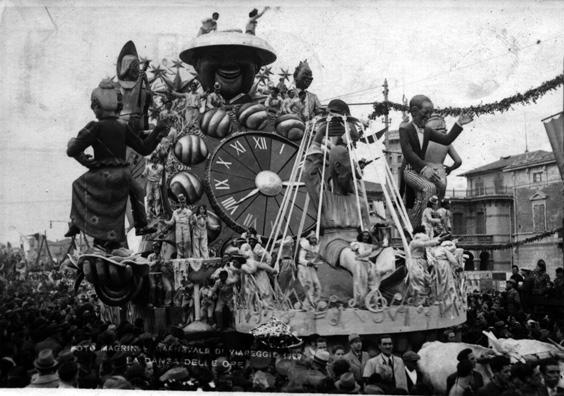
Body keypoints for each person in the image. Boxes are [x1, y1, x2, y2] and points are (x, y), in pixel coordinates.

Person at [65, 79, 168, 247]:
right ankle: (141, 224)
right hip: (123, 174)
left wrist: (83, 158)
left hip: (102, 174)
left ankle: (76, 223)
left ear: (97, 106)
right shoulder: (123, 127)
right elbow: (144, 148)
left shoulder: (94, 127)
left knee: (78, 185)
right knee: (137, 190)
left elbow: (72, 151)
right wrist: (157, 132)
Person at [399, 94, 473, 227]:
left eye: (430, 114)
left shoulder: (427, 131)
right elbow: (408, 153)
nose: (427, 117)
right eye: (425, 113)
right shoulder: (405, 129)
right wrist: (424, 168)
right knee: (429, 188)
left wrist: (459, 123)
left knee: (441, 186)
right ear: (414, 112)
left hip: (423, 171)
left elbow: (446, 140)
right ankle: (421, 225)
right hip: (410, 171)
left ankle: (434, 223)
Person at [424, 114, 463, 199]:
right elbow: (458, 161)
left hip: (426, 173)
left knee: (425, 202)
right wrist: (450, 169)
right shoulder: (447, 143)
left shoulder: (424, 141)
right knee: (439, 203)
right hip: (441, 174)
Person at [162, 194, 193, 258]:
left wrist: (194, 222)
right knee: (179, 242)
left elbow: (191, 222)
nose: (182, 204)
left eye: (183, 202)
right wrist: (164, 221)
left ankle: (188, 256)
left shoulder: (189, 212)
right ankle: (179, 256)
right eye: (181, 202)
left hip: (186, 227)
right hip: (178, 228)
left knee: (187, 242)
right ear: (179, 203)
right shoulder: (175, 212)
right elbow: (171, 222)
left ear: (185, 202)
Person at [297, 231, 322, 306]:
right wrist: (308, 263)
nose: (314, 240)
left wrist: (315, 264)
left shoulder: (315, 248)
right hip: (304, 268)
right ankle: (308, 304)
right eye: (312, 238)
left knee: (317, 285)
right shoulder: (304, 247)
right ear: (309, 239)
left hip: (311, 268)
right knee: (309, 285)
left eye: (315, 238)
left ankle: (315, 302)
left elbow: (315, 260)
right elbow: (300, 259)